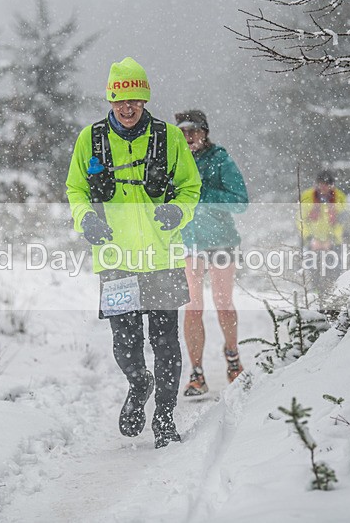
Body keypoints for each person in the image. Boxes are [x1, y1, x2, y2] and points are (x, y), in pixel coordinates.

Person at [66, 57, 201, 449]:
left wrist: (178, 210)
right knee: (125, 345)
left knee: (165, 342)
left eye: (136, 102)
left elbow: (191, 187)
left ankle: (163, 417)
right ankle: (140, 383)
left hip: (162, 259)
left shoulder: (169, 138)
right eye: (121, 101)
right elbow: (75, 190)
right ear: (110, 99)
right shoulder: (90, 140)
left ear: (145, 100)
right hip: (116, 262)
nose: (128, 109)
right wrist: (85, 219)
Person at [175, 110, 249, 397]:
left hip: (220, 242)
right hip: (188, 243)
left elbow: (241, 201)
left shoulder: (220, 159)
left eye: (193, 131)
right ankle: (196, 374)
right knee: (193, 307)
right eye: (182, 131)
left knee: (222, 301)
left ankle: (233, 358)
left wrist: (202, 194)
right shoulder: (174, 161)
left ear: (204, 132)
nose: (188, 137)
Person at [296, 170, 347, 291]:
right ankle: (316, 296)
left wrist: (332, 239)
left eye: (326, 184)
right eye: (321, 184)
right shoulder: (307, 196)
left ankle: (333, 295)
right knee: (313, 271)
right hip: (311, 241)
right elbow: (301, 220)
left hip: (333, 242)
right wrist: (310, 238)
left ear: (331, 185)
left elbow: (341, 221)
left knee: (334, 271)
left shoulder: (339, 197)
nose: (323, 187)